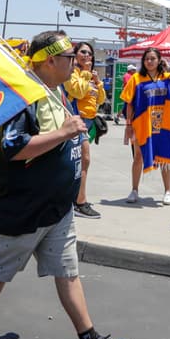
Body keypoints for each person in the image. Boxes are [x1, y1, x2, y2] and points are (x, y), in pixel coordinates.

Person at [0, 30, 132, 339]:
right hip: (24, 208)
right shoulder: (21, 96)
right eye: (69, 58)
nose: (75, 64)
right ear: (50, 60)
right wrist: (65, 132)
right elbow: (16, 148)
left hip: (56, 207)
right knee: (0, 270)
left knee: (68, 272)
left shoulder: (52, 91)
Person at [121, 48, 170, 204]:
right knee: (138, 157)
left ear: (159, 60)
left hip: (163, 124)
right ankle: (134, 190)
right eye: (146, 59)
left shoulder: (168, 77)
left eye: (152, 58)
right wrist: (129, 124)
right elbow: (129, 103)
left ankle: (168, 191)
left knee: (164, 157)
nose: (149, 61)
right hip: (142, 123)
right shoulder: (136, 78)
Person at [64, 41, 106, 218]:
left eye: (89, 53)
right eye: (83, 52)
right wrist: (87, 75)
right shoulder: (72, 73)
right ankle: (79, 201)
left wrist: (98, 82)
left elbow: (101, 100)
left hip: (89, 121)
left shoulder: (89, 76)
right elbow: (78, 92)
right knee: (83, 160)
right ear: (75, 54)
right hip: (75, 122)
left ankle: (75, 200)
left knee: (80, 161)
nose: (87, 56)